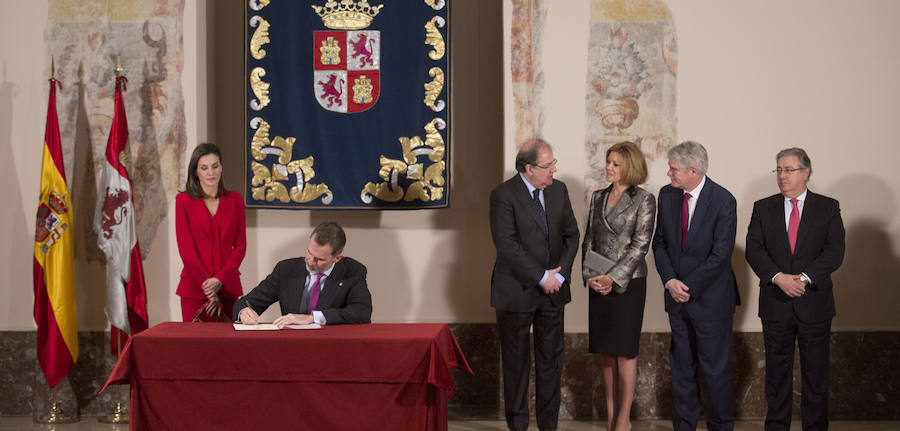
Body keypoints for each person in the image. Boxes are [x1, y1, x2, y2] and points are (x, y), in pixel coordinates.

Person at [745, 148, 844, 431]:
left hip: (814, 303)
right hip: (776, 303)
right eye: (778, 170)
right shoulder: (763, 207)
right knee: (776, 375)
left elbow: (835, 251)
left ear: (806, 172)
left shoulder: (828, 207)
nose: (782, 176)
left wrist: (803, 278)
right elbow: (754, 249)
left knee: (816, 377)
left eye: (788, 170)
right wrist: (778, 277)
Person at [489, 138, 579, 431]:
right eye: (548, 165)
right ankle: (518, 426)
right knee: (516, 365)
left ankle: (548, 425)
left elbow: (571, 236)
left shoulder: (559, 190)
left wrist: (559, 276)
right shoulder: (503, 195)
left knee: (550, 362)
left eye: (554, 163)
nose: (554, 169)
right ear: (528, 168)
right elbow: (507, 245)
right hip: (516, 292)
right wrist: (542, 277)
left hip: (553, 293)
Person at [651, 141, 739, 431]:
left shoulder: (724, 200)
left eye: (674, 169)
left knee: (716, 371)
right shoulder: (667, 195)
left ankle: (721, 426)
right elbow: (660, 242)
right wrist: (670, 281)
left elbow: (720, 255)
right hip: (676, 299)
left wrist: (686, 286)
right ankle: (684, 426)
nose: (668, 173)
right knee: (681, 369)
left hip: (711, 300)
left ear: (694, 169)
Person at [581, 141, 655, 431]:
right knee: (606, 352)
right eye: (608, 162)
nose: (609, 167)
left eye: (615, 164)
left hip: (628, 285)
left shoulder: (644, 199)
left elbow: (640, 246)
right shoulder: (598, 197)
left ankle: (624, 419)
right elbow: (589, 240)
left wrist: (612, 278)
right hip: (598, 283)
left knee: (625, 351)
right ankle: (611, 416)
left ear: (630, 167)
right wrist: (591, 276)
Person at [233, 221, 372, 326]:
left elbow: (362, 312)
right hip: (292, 347)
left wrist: (313, 318)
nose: (310, 261)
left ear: (337, 258)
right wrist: (244, 313)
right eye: (309, 252)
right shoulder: (286, 269)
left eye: (319, 259)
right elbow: (247, 302)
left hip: (332, 348)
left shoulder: (352, 271)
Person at [176, 143, 246, 322]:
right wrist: (208, 288)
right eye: (204, 168)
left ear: (221, 167)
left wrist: (219, 280)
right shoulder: (183, 201)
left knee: (227, 348)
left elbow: (240, 247)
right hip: (194, 289)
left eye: (215, 166)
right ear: (195, 171)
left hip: (227, 287)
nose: (210, 173)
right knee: (195, 348)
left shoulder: (235, 200)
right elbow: (186, 251)